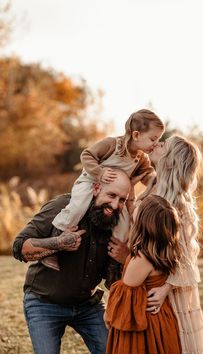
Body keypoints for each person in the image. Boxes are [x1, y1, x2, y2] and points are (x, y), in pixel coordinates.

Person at [12, 169, 131, 354]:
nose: (115, 205)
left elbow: (112, 283)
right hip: (44, 303)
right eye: (112, 195)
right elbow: (19, 247)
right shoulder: (64, 206)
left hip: (88, 305)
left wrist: (125, 259)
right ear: (97, 187)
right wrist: (58, 243)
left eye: (122, 199)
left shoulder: (117, 224)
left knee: (114, 351)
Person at [43, 109, 165, 284]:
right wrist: (99, 172)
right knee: (78, 207)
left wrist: (160, 181)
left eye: (158, 140)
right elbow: (87, 155)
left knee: (124, 226)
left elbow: (147, 176)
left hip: (116, 195)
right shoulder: (111, 145)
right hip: (91, 182)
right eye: (153, 139)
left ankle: (113, 266)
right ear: (136, 134)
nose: (155, 143)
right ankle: (56, 247)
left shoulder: (141, 158)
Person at [147, 135, 203, 354]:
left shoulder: (178, 205)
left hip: (171, 289)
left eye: (163, 145)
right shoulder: (150, 188)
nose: (157, 144)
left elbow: (187, 258)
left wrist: (166, 288)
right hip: (146, 281)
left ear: (171, 160)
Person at [104, 195, 182, 354]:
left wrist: (108, 314)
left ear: (143, 222)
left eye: (140, 206)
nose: (135, 207)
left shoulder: (142, 260)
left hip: (142, 325)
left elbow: (124, 297)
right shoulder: (164, 251)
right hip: (161, 319)